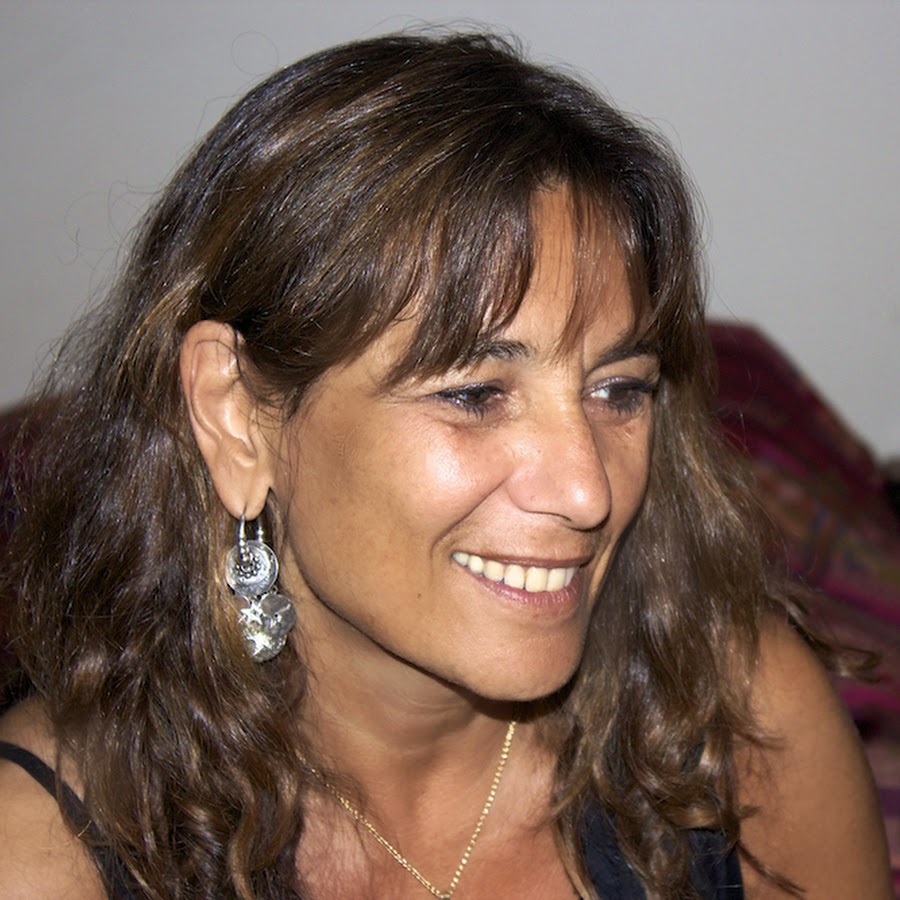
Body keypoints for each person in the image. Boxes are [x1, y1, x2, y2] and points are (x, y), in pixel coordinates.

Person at [0, 31, 891, 900]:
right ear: (235, 416)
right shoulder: (41, 857)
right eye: (475, 394)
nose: (588, 490)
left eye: (618, 390)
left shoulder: (742, 724)